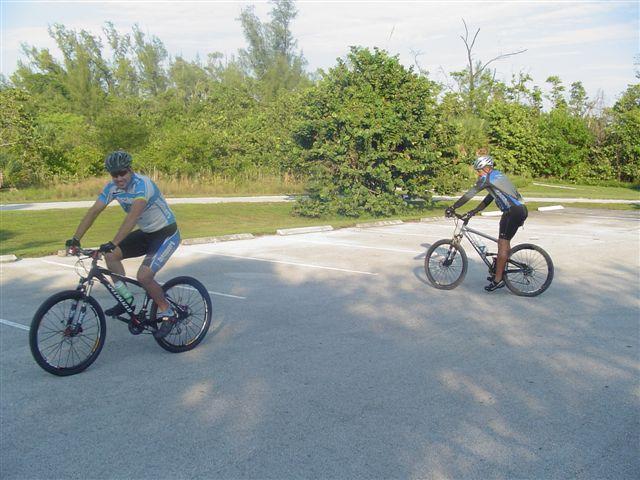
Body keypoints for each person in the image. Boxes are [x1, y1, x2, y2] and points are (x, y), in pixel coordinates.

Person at [65, 151, 181, 338]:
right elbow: (94, 211)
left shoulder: (143, 185)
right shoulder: (112, 188)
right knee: (111, 255)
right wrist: (75, 238)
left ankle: (167, 311)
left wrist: (113, 242)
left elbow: (133, 216)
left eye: (122, 173)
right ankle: (125, 298)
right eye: (114, 174)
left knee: (144, 276)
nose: (119, 178)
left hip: (166, 234)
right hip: (146, 233)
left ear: (130, 170)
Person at [445, 155, 528, 292]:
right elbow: (490, 197)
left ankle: (498, 279)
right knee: (503, 243)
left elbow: (469, 194)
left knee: (502, 243)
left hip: (513, 212)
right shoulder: (496, 176)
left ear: (487, 168)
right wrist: (475, 210)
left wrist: (453, 207)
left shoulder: (487, 179)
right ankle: (500, 270)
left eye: (479, 170)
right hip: (515, 211)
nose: (478, 173)